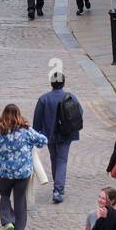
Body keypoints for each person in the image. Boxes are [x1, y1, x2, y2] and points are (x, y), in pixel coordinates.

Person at [0, 104, 48, 230]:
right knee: (20, 200)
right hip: (23, 173)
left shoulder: (1, 130)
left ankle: (8, 221)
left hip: (5, 172)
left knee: (4, 195)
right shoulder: (26, 130)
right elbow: (42, 140)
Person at [32, 70, 83, 204]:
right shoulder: (70, 96)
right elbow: (79, 112)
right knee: (61, 161)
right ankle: (58, 189)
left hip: (49, 135)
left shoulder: (44, 99)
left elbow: (37, 119)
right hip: (66, 134)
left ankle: (57, 187)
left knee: (55, 159)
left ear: (51, 83)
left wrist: (36, 135)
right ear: (63, 83)